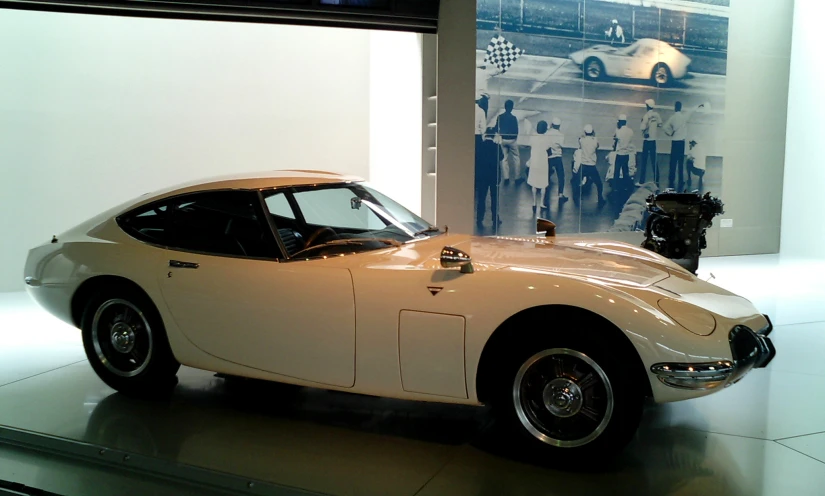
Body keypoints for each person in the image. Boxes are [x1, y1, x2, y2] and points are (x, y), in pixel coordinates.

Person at [663, 101, 705, 190]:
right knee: (680, 162)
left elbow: (665, 127)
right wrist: (698, 105)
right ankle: (681, 180)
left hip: (674, 142)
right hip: (681, 143)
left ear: (675, 107)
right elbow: (691, 111)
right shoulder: (683, 117)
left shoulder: (672, 118)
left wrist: (670, 133)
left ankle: (671, 179)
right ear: (681, 108)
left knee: (673, 162)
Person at [476, 126, 501, 231]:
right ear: (494, 135)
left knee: (481, 198)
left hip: (482, 176)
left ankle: (479, 218)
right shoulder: (496, 147)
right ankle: (495, 218)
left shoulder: (480, 146)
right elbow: (502, 157)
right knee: (494, 198)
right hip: (494, 176)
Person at [575, 124, 606, 207]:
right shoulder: (595, 140)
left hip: (583, 165)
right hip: (591, 166)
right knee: (599, 184)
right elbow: (597, 146)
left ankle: (576, 196)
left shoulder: (582, 140)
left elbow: (580, 140)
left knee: (576, 181)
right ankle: (600, 198)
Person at [526, 121, 551, 215]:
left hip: (534, 161)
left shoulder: (533, 137)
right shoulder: (546, 138)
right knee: (543, 183)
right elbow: (548, 148)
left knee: (534, 183)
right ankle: (541, 203)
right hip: (543, 162)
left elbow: (530, 144)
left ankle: (534, 203)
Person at [495, 100, 521, 185]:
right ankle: (517, 177)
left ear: (505, 106)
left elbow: (496, 128)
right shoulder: (513, 118)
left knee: (504, 158)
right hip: (512, 140)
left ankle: (506, 177)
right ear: (512, 107)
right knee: (516, 158)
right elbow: (516, 131)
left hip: (503, 140)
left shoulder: (500, 117)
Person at [546, 117, 569, 204]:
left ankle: (545, 192)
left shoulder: (547, 133)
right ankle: (560, 194)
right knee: (561, 176)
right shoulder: (560, 135)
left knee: (547, 175)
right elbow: (562, 145)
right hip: (557, 156)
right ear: (559, 126)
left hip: (549, 157)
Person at [639, 98, 662, 186]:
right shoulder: (656, 115)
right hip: (653, 140)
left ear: (647, 106)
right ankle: (657, 179)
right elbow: (660, 124)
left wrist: (642, 122)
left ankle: (642, 181)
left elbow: (642, 128)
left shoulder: (646, 116)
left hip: (646, 141)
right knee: (654, 160)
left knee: (644, 161)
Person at [613, 113, 634, 188]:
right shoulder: (630, 131)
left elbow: (615, 142)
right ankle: (626, 186)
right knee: (625, 171)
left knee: (617, 171)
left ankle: (615, 186)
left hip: (619, 154)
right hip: (626, 154)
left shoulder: (618, 131)